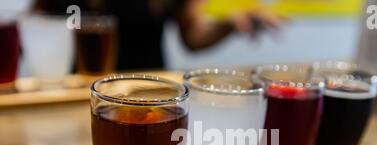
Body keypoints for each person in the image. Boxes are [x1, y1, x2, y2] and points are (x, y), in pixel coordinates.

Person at [33, 0, 281, 70]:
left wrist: (229, 24)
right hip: (79, 92)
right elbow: (34, 22)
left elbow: (193, 38)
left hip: (148, 94)